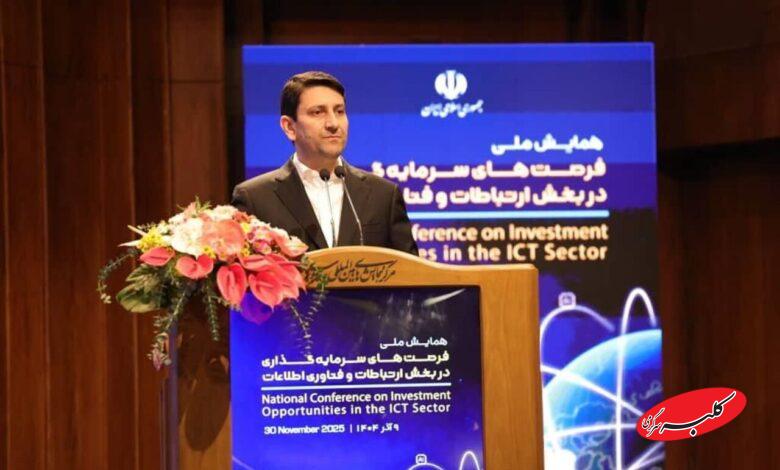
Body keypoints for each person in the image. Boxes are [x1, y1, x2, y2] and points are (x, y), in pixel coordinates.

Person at [232, 71, 418, 255]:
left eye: (339, 111)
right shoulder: (255, 199)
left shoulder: (383, 196)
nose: (333, 124)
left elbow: (412, 271)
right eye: (317, 112)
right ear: (289, 127)